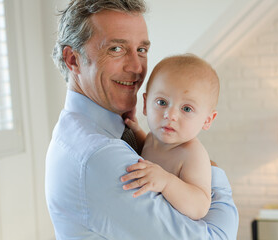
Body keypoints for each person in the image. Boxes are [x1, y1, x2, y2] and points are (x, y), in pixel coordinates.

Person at [45, 0, 239, 239]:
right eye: (116, 49)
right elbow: (215, 237)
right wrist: (213, 175)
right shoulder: (100, 156)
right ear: (73, 59)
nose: (137, 67)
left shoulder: (101, 130)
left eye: (142, 50)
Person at [121, 54, 219, 220]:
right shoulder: (152, 138)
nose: (170, 115)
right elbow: (147, 150)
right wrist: (136, 131)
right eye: (162, 102)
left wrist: (166, 182)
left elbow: (200, 206)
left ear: (207, 120)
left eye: (186, 109)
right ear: (145, 104)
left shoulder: (192, 154)